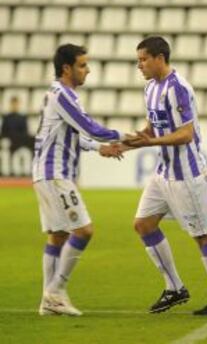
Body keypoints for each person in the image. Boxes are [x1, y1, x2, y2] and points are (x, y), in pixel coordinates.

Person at [124, 36, 207, 316]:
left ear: (160, 58)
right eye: (138, 60)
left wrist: (149, 144)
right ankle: (175, 288)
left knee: (204, 235)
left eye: (143, 59)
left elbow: (187, 134)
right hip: (163, 174)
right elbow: (152, 126)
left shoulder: (179, 88)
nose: (140, 66)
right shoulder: (150, 88)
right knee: (143, 224)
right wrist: (127, 143)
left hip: (187, 175)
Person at [33, 44, 125, 316]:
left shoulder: (61, 94)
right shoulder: (62, 95)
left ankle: (48, 302)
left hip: (48, 173)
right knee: (83, 231)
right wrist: (126, 136)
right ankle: (56, 291)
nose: (88, 70)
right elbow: (89, 128)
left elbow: (73, 135)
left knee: (58, 235)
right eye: (83, 65)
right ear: (67, 68)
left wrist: (100, 148)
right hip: (55, 174)